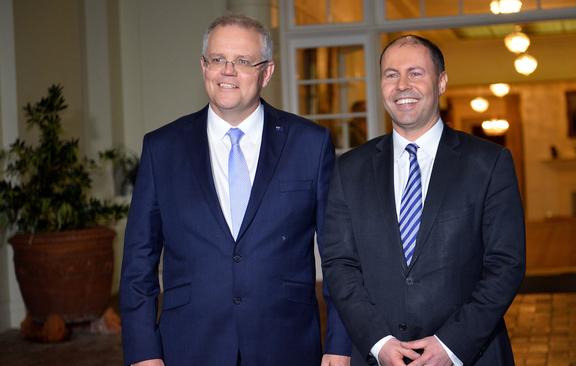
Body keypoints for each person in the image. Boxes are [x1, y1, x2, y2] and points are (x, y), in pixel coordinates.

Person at [120, 14, 351, 366]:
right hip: (189, 345)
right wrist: (143, 353)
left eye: (242, 61)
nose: (227, 71)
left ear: (266, 72)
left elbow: (338, 255)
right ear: (203, 66)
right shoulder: (161, 149)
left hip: (286, 344)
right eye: (217, 59)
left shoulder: (309, 143)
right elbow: (138, 261)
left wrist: (339, 344)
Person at [320, 35, 525, 366]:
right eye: (391, 74)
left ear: (441, 82)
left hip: (470, 355)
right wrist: (379, 341)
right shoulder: (349, 169)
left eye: (415, 73)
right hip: (378, 355)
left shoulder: (489, 163)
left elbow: (506, 264)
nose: (402, 85)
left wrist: (451, 345)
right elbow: (339, 264)